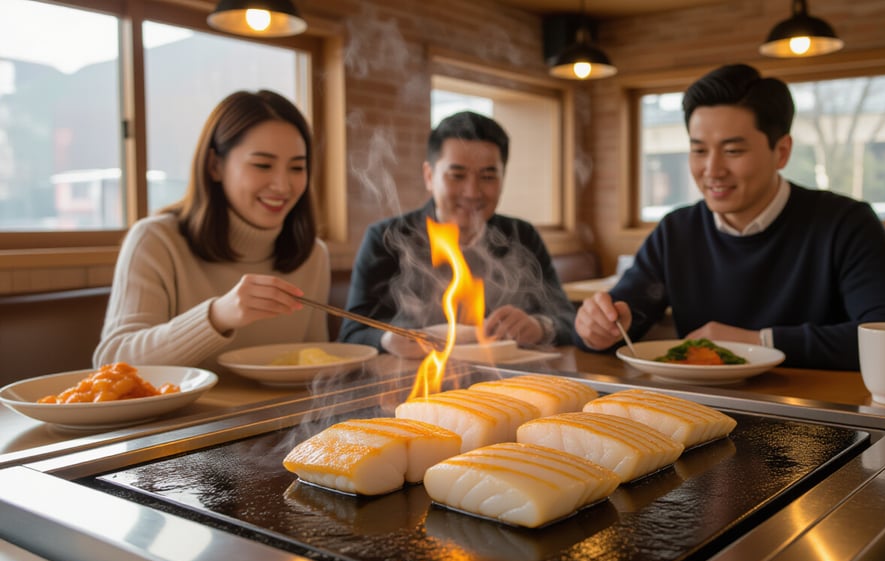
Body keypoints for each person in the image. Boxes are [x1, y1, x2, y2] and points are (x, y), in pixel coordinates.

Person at [574, 64, 885, 370]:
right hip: (701, 413)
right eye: (698, 150)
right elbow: (627, 316)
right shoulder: (677, 231)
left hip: (823, 417)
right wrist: (599, 327)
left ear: (782, 151)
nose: (712, 170)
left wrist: (758, 341)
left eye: (733, 151)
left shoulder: (844, 223)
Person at [94, 90, 329, 370]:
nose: (282, 185)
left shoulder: (313, 254)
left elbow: (318, 365)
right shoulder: (156, 241)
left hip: (279, 413)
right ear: (215, 166)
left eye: (297, 167)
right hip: (186, 416)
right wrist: (218, 316)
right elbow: (111, 361)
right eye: (262, 165)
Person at [341, 111, 575, 356]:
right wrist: (387, 339)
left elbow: (568, 320)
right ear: (429, 176)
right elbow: (351, 334)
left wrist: (540, 327)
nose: (472, 192)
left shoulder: (521, 235)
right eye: (457, 175)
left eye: (487, 176)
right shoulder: (387, 239)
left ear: (503, 178)